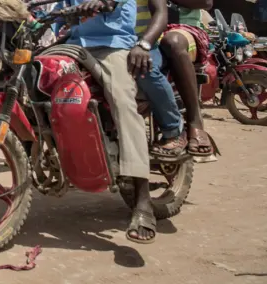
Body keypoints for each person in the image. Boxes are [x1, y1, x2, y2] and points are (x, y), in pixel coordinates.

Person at [53, 0, 155, 243]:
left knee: (122, 102)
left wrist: (100, 4)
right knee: (35, 82)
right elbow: (57, 13)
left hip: (112, 46)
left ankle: (143, 199)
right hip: (74, 46)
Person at [158, 0, 215, 157]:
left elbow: (206, 2)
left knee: (172, 42)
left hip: (183, 28)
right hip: (140, 28)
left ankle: (195, 121)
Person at [133, 0, 187, 159]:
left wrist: (144, 44)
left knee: (145, 71)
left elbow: (161, 14)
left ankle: (173, 131)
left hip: (146, 43)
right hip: (109, 43)